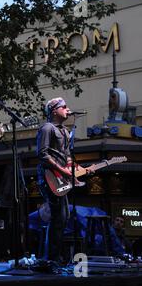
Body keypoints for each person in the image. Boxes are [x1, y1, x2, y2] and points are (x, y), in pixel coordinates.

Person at [36, 97, 93, 264]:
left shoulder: (65, 131)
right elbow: (42, 154)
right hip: (49, 177)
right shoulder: (47, 128)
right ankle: (51, 258)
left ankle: (54, 257)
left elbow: (67, 158)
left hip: (61, 178)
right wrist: (62, 171)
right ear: (54, 110)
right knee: (58, 216)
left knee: (64, 216)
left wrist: (79, 169)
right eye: (64, 107)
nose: (68, 109)